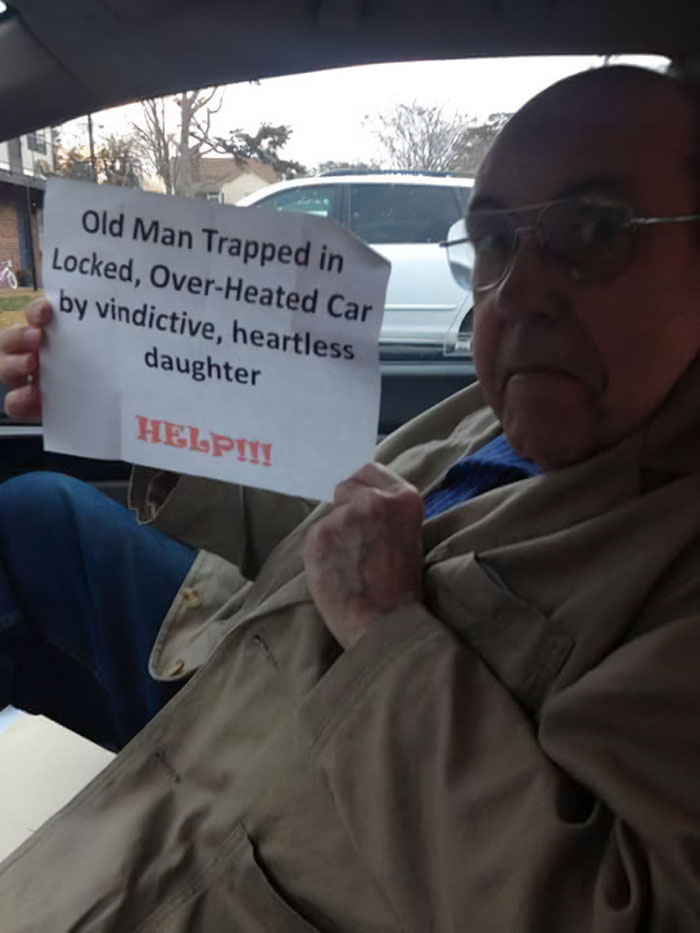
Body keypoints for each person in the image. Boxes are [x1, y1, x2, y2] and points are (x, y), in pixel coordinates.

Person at [1, 62, 700, 930]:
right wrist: (151, 421)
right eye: (493, 240)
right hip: (250, 683)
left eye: (592, 231)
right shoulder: (500, 404)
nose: (517, 293)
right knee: (31, 515)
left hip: (293, 827)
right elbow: (346, 522)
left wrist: (380, 631)